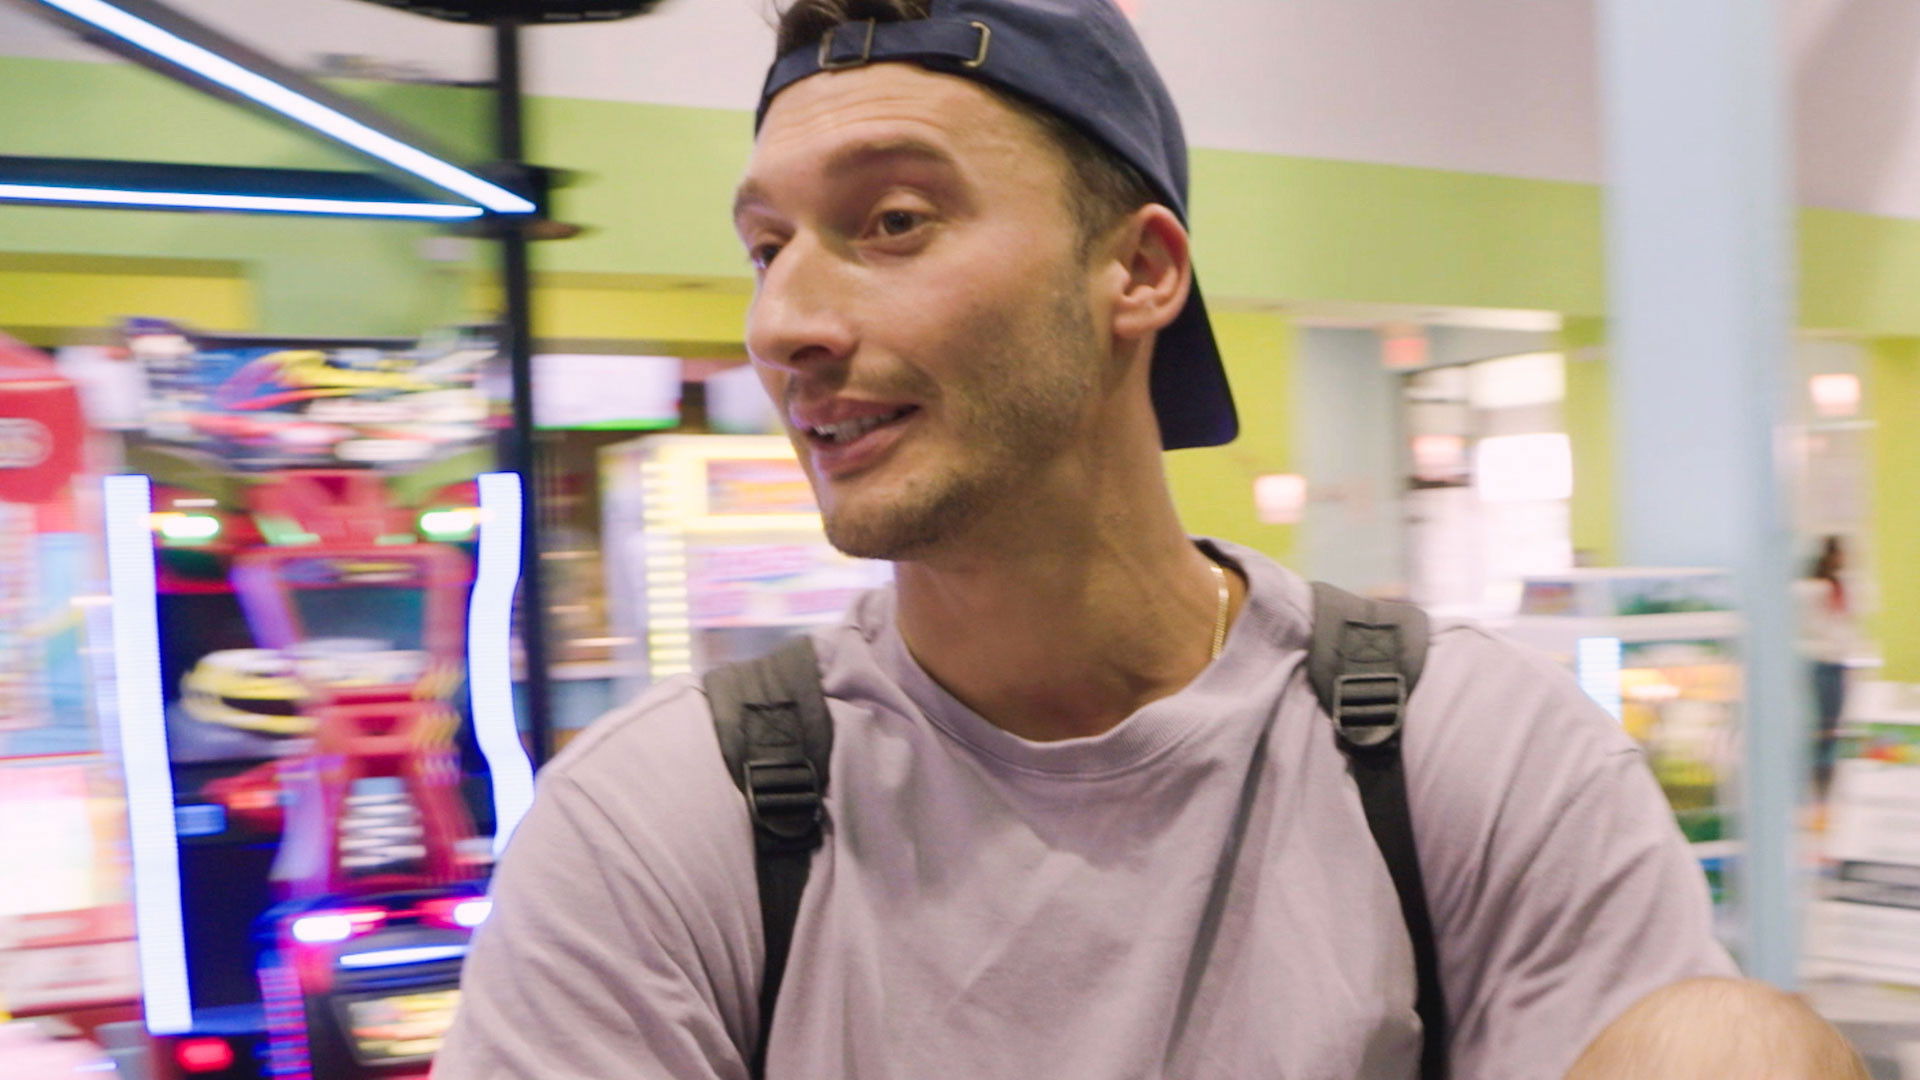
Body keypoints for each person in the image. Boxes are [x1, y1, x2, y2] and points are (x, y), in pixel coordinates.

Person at [435, 2, 1854, 1077]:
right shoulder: (662, 827)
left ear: (1141, 269)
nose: (784, 324)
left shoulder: (1472, 759)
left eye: (894, 221)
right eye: (767, 248)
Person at [1796, 535, 1860, 802]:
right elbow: (1815, 626)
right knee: (1822, 728)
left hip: (1835, 661)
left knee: (1831, 728)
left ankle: (1824, 789)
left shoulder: (1838, 586)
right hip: (1819, 662)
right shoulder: (1812, 589)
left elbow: (1843, 624)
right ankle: (1817, 788)